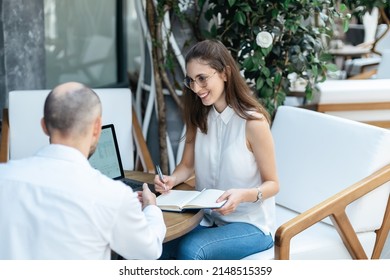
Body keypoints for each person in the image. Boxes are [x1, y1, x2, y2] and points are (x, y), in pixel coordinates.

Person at [0, 82, 166, 260]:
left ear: (44, 126)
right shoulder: (113, 196)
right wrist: (151, 208)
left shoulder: (4, 178)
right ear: (97, 128)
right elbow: (149, 251)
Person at [154, 39, 279, 260]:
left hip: (251, 225)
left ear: (225, 73)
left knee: (192, 250)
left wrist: (242, 196)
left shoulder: (253, 123)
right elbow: (186, 165)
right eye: (191, 81)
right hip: (208, 219)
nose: (196, 88)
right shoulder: (199, 117)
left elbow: (273, 184)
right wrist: (171, 179)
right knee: (153, 246)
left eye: (202, 79)